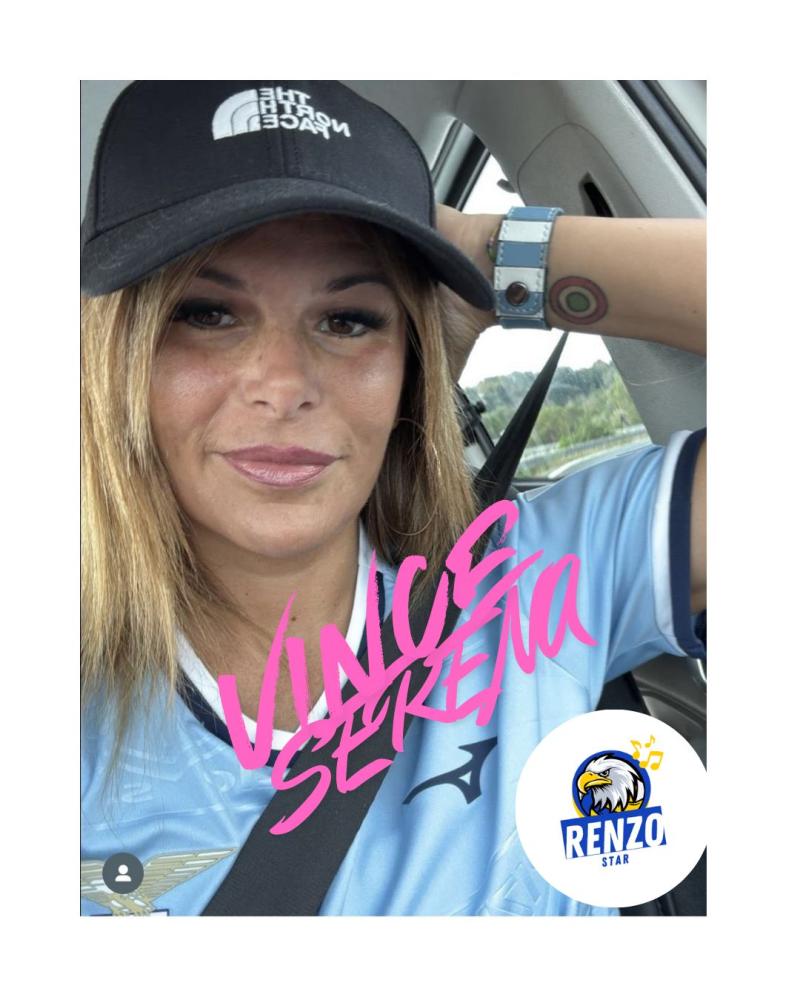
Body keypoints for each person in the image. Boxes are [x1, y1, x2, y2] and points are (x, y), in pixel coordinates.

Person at [80, 80, 706, 916]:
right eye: (205, 313)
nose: (283, 385)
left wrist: (487, 257)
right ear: (116, 359)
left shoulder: (541, 577)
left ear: (413, 361)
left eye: (349, 320)